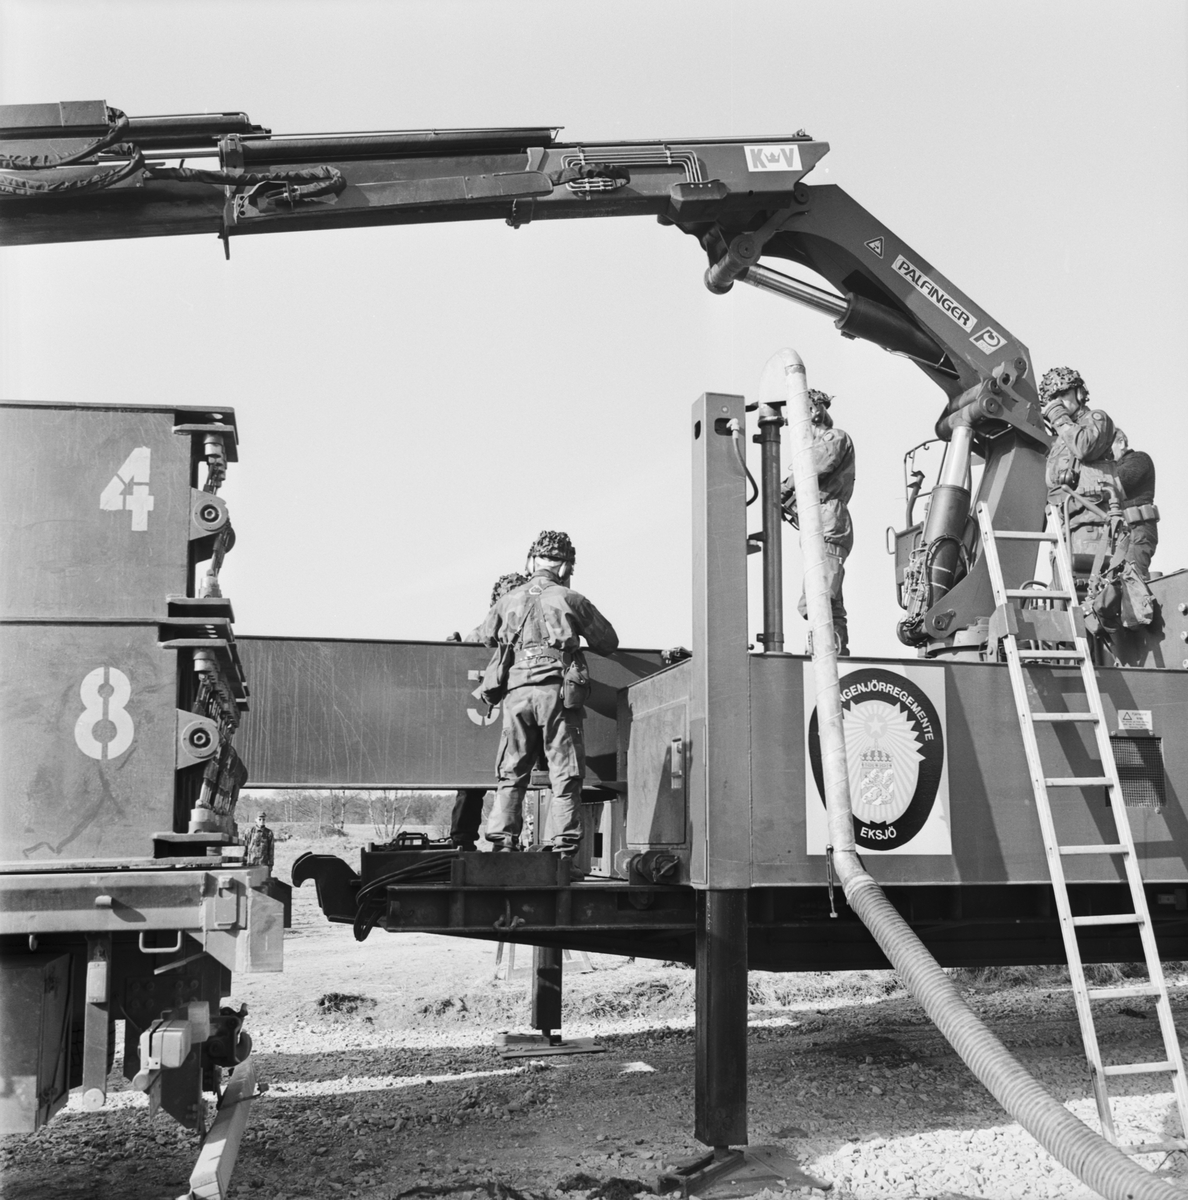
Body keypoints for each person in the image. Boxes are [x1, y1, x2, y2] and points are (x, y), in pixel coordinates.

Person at [477, 531, 618, 859]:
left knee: (512, 771)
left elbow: (486, 637)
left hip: (516, 693)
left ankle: (501, 846)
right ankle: (564, 851)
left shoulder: (506, 601)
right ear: (566, 567)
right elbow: (608, 642)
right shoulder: (571, 599)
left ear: (530, 562)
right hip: (555, 694)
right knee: (564, 773)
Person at [447, 571, 529, 851]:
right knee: (471, 783)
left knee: (514, 781)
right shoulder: (481, 634)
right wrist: (453, 654)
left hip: (514, 717)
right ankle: (462, 840)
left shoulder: (531, 632)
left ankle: (506, 842)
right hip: (482, 719)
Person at [780, 388, 855, 656]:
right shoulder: (817, 446)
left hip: (828, 519)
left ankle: (824, 652)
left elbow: (817, 465)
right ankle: (835, 651)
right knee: (827, 596)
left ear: (812, 412)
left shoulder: (834, 437)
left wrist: (784, 488)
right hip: (819, 520)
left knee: (820, 592)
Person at [1040, 366, 1119, 566]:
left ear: (1079, 393)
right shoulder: (1061, 440)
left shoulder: (1096, 419)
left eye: (1063, 394)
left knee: (1094, 583)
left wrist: (1057, 415)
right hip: (1066, 528)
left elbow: (1084, 448)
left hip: (1093, 526)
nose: (1059, 402)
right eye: (1053, 398)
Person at [1112, 427, 1159, 580]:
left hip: (1136, 531)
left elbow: (1118, 482)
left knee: (1132, 580)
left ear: (1121, 443)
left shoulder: (1138, 459)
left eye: (1107, 447)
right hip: (1121, 534)